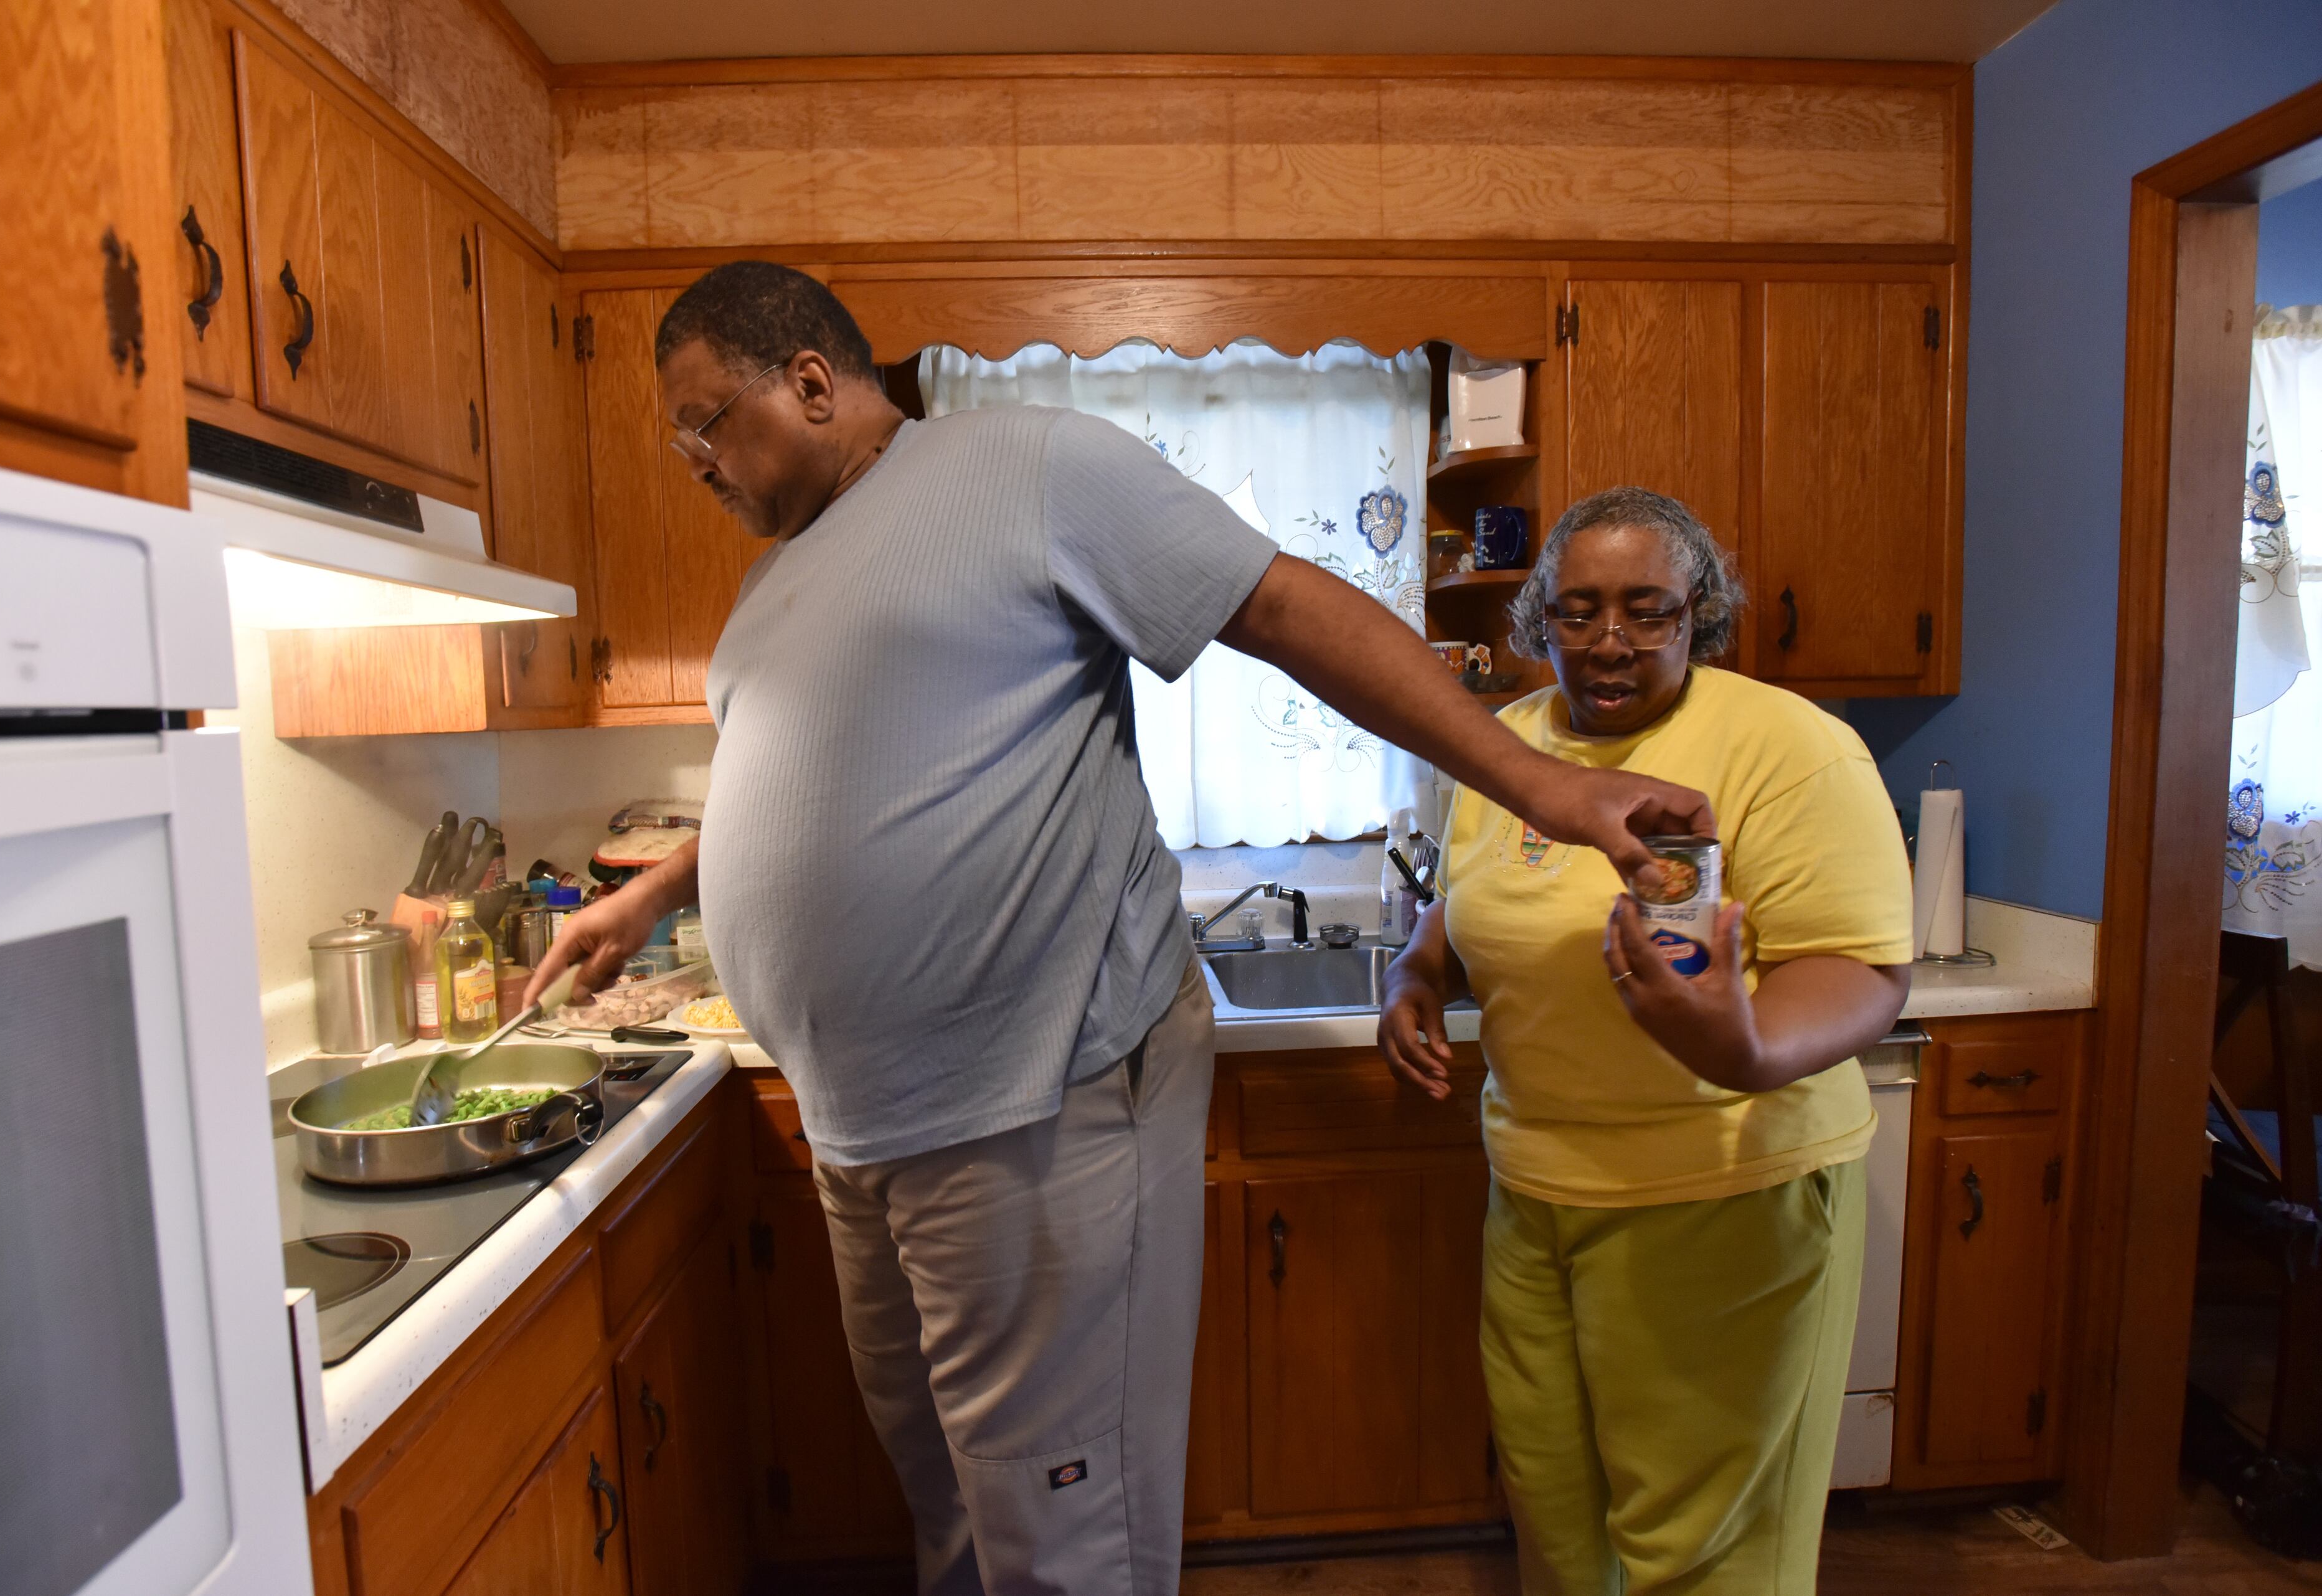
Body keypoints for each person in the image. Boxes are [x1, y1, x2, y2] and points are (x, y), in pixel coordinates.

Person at [528, 262, 1711, 1596]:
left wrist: (1544, 782)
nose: (690, 458)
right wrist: (648, 896)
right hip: (866, 1130)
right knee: (949, 1493)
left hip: (1038, 1090)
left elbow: (1281, 605)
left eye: (703, 420)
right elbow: (805, 790)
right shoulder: (769, 599)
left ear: (809, 382)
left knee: (1061, 1532)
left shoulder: (1020, 465)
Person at [1379, 486, 1914, 1596]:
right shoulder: (1508, 745)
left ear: (1699, 613)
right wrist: (1416, 969)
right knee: (1559, 1531)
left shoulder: (1789, 745)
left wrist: (1746, 1048)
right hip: (1536, 1194)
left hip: (1722, 1192)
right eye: (1575, 613)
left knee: (1705, 1555)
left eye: (1645, 610)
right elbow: (1469, 891)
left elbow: (1861, 970)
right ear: (1539, 623)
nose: (1608, 643)